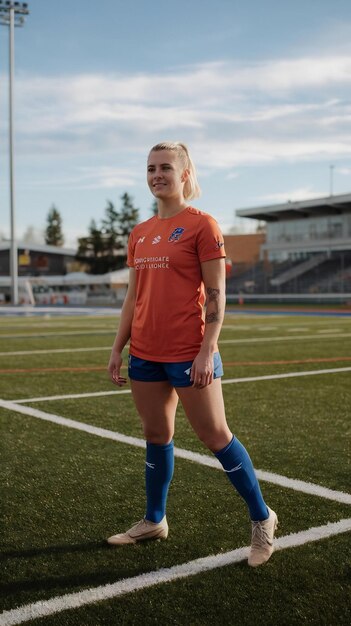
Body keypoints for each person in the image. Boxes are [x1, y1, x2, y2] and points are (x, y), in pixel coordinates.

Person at [107, 141, 278, 567]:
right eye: (150, 168)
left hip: (189, 352)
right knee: (156, 436)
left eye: (165, 167)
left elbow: (217, 295)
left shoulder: (203, 226)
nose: (157, 175)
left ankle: (262, 519)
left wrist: (208, 350)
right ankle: (154, 520)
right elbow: (132, 298)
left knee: (215, 436)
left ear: (184, 173)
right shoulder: (140, 233)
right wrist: (117, 347)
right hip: (145, 353)